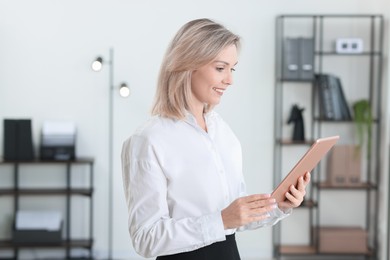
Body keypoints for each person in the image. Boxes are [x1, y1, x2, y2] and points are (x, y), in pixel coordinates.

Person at [121, 18, 311, 260]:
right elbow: (146, 238)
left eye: (232, 69)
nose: (230, 80)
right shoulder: (148, 140)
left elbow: (236, 217)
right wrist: (221, 220)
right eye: (220, 68)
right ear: (188, 65)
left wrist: (281, 205)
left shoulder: (222, 132)